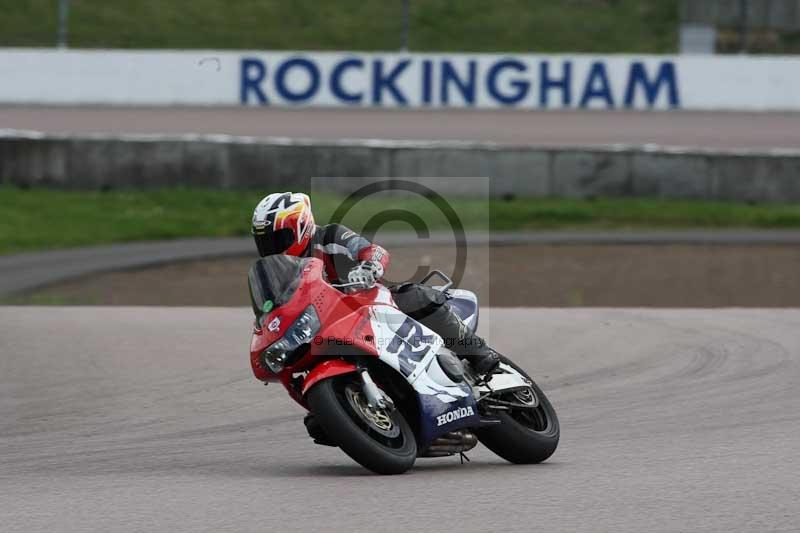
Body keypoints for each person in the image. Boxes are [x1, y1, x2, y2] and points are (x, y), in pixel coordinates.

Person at [251, 191, 500, 377]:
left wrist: (369, 266)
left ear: (302, 226)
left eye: (277, 238)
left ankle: (478, 353)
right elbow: (272, 308)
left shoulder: (328, 236)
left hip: (369, 306)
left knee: (414, 296)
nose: (270, 247)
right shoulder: (275, 272)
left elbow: (374, 251)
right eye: (264, 241)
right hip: (327, 329)